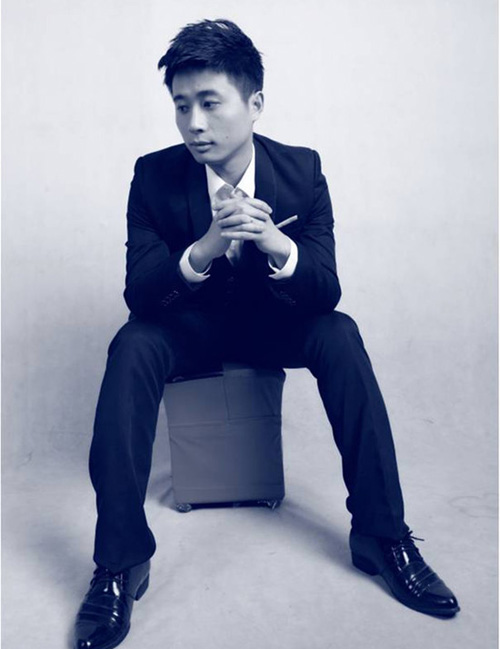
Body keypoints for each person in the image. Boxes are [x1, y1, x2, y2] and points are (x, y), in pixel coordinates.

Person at [73, 18, 459, 649]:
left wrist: (279, 245)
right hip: (189, 330)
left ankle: (382, 534)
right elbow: (140, 296)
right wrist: (204, 248)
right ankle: (120, 561)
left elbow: (325, 290)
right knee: (132, 343)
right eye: (181, 106)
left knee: (339, 333)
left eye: (209, 103)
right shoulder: (153, 175)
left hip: (270, 326)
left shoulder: (302, 172)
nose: (194, 123)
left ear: (254, 104)